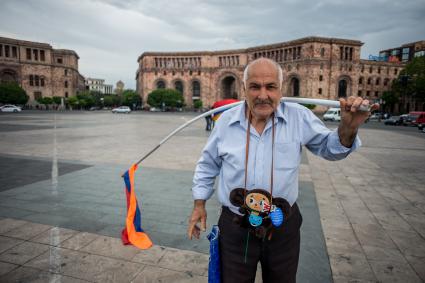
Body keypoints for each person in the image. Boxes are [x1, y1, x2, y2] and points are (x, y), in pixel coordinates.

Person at [188, 58, 378, 283]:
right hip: (236, 225)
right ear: (244, 88)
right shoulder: (225, 121)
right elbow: (208, 164)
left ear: (281, 88)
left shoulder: (298, 117)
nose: (262, 95)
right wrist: (199, 203)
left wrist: (349, 127)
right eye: (255, 86)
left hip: (281, 225)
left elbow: (331, 149)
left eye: (270, 86)